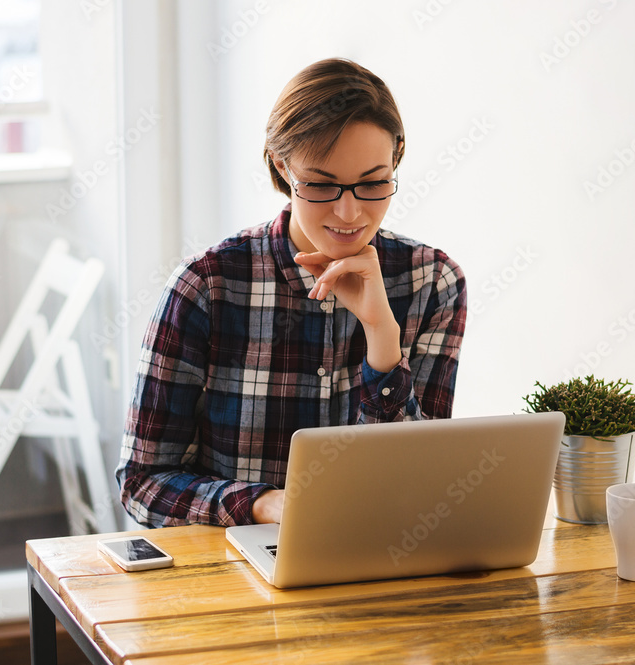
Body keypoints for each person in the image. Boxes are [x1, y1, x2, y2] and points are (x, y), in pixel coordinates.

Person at [117, 58, 467, 528]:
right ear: (283, 167)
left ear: (396, 161)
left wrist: (382, 337)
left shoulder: (433, 282)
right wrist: (262, 505)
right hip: (236, 576)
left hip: (382, 562)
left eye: (373, 183)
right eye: (322, 185)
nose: (349, 212)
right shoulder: (207, 285)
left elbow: (423, 483)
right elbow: (142, 483)